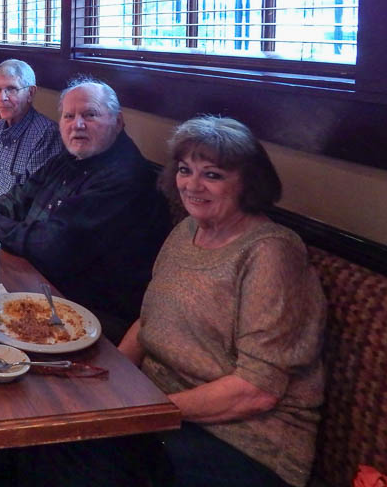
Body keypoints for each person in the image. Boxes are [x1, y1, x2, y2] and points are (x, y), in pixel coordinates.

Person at [118, 116, 326, 487]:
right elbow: (148, 321)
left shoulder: (271, 252)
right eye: (185, 170)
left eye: (212, 175)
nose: (192, 185)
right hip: (166, 413)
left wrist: (140, 412)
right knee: (53, 439)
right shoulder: (186, 231)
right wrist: (109, 385)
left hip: (244, 444)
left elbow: (256, 391)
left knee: (82, 460)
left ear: (248, 182)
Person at [0, 78, 171, 343]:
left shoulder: (124, 177)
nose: (77, 125)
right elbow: (20, 197)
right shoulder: (73, 156)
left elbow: (49, 247)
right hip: (39, 281)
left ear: (118, 121)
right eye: (69, 116)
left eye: (90, 115)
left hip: (88, 314)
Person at [0, 59, 61, 198]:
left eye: (11, 89)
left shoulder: (46, 135)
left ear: (30, 93)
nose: (2, 98)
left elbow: (31, 201)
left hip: (5, 217)